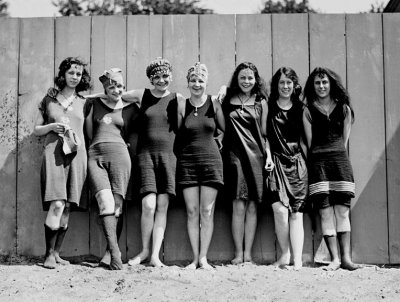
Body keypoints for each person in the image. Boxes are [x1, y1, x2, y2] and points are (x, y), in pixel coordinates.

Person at [34, 57, 91, 269]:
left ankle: (57, 253)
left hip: (77, 155)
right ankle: (48, 254)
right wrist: (51, 127)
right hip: (54, 154)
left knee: (67, 206)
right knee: (57, 203)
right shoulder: (49, 99)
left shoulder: (85, 102)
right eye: (71, 73)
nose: (75, 77)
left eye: (78, 74)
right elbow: (36, 129)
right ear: (63, 75)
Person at [303, 67, 361, 271]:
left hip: (340, 164)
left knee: (342, 213)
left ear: (331, 84)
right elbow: (310, 144)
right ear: (313, 86)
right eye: (317, 83)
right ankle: (334, 259)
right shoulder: (308, 110)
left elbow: (344, 140)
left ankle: (346, 259)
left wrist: (335, 154)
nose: (321, 86)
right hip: (318, 166)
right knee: (326, 214)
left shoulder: (344, 108)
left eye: (325, 82)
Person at [221, 62, 273, 264]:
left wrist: (268, 156)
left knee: (252, 207)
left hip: (257, 157)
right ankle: (238, 253)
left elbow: (265, 134)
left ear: (256, 80)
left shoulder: (262, 102)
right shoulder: (226, 101)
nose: (246, 81)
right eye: (242, 77)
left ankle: (248, 254)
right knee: (238, 206)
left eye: (250, 78)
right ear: (237, 78)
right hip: (235, 158)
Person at [85, 68, 138, 270]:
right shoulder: (94, 104)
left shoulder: (131, 107)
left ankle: (109, 253)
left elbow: (135, 133)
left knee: (116, 205)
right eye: (112, 86)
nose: (116, 90)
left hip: (120, 157)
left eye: (120, 86)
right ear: (105, 89)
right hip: (95, 155)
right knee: (104, 203)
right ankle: (116, 252)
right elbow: (90, 132)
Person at [176, 63, 225, 269]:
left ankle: (203, 258)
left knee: (206, 211)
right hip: (187, 162)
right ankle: (194, 258)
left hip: (211, 162)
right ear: (188, 83)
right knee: (192, 211)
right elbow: (177, 133)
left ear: (206, 83)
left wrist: (218, 144)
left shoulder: (214, 103)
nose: (197, 84)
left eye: (201, 81)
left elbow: (224, 129)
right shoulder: (181, 104)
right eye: (193, 81)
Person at [267, 67, 308, 270]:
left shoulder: (301, 109)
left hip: (297, 163)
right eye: (282, 82)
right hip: (275, 163)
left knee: (296, 213)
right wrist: (268, 157)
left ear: (294, 85)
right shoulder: (269, 106)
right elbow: (265, 136)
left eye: (289, 83)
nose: (285, 86)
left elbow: (306, 139)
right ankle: (284, 255)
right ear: (276, 85)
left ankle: (298, 260)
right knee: (279, 211)